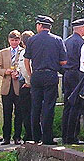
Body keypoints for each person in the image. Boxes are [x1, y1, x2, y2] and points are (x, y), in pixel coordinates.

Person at [24, 16, 67, 145]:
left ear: (39, 26)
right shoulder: (58, 40)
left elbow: (27, 60)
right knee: (48, 107)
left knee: (35, 106)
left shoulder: (32, 40)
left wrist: (31, 75)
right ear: (49, 27)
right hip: (51, 75)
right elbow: (64, 61)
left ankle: (35, 136)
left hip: (36, 75)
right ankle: (47, 138)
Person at [0, 32, 26, 145]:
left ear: (20, 41)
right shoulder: (3, 52)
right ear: (9, 40)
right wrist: (6, 72)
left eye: (16, 40)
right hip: (7, 87)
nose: (14, 42)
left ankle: (17, 136)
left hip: (18, 85)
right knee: (6, 113)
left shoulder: (23, 51)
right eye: (12, 40)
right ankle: (6, 137)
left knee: (19, 113)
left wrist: (19, 73)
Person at [62, 19, 84, 144]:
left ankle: (65, 135)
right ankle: (72, 136)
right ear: (81, 28)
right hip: (77, 74)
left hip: (67, 74)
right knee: (75, 104)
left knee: (67, 104)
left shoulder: (66, 41)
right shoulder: (81, 43)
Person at [18, 31, 35, 143]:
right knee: (35, 110)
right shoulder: (37, 51)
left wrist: (28, 81)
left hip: (27, 85)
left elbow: (24, 68)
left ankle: (29, 133)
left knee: (27, 112)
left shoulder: (24, 53)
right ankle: (35, 133)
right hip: (34, 84)